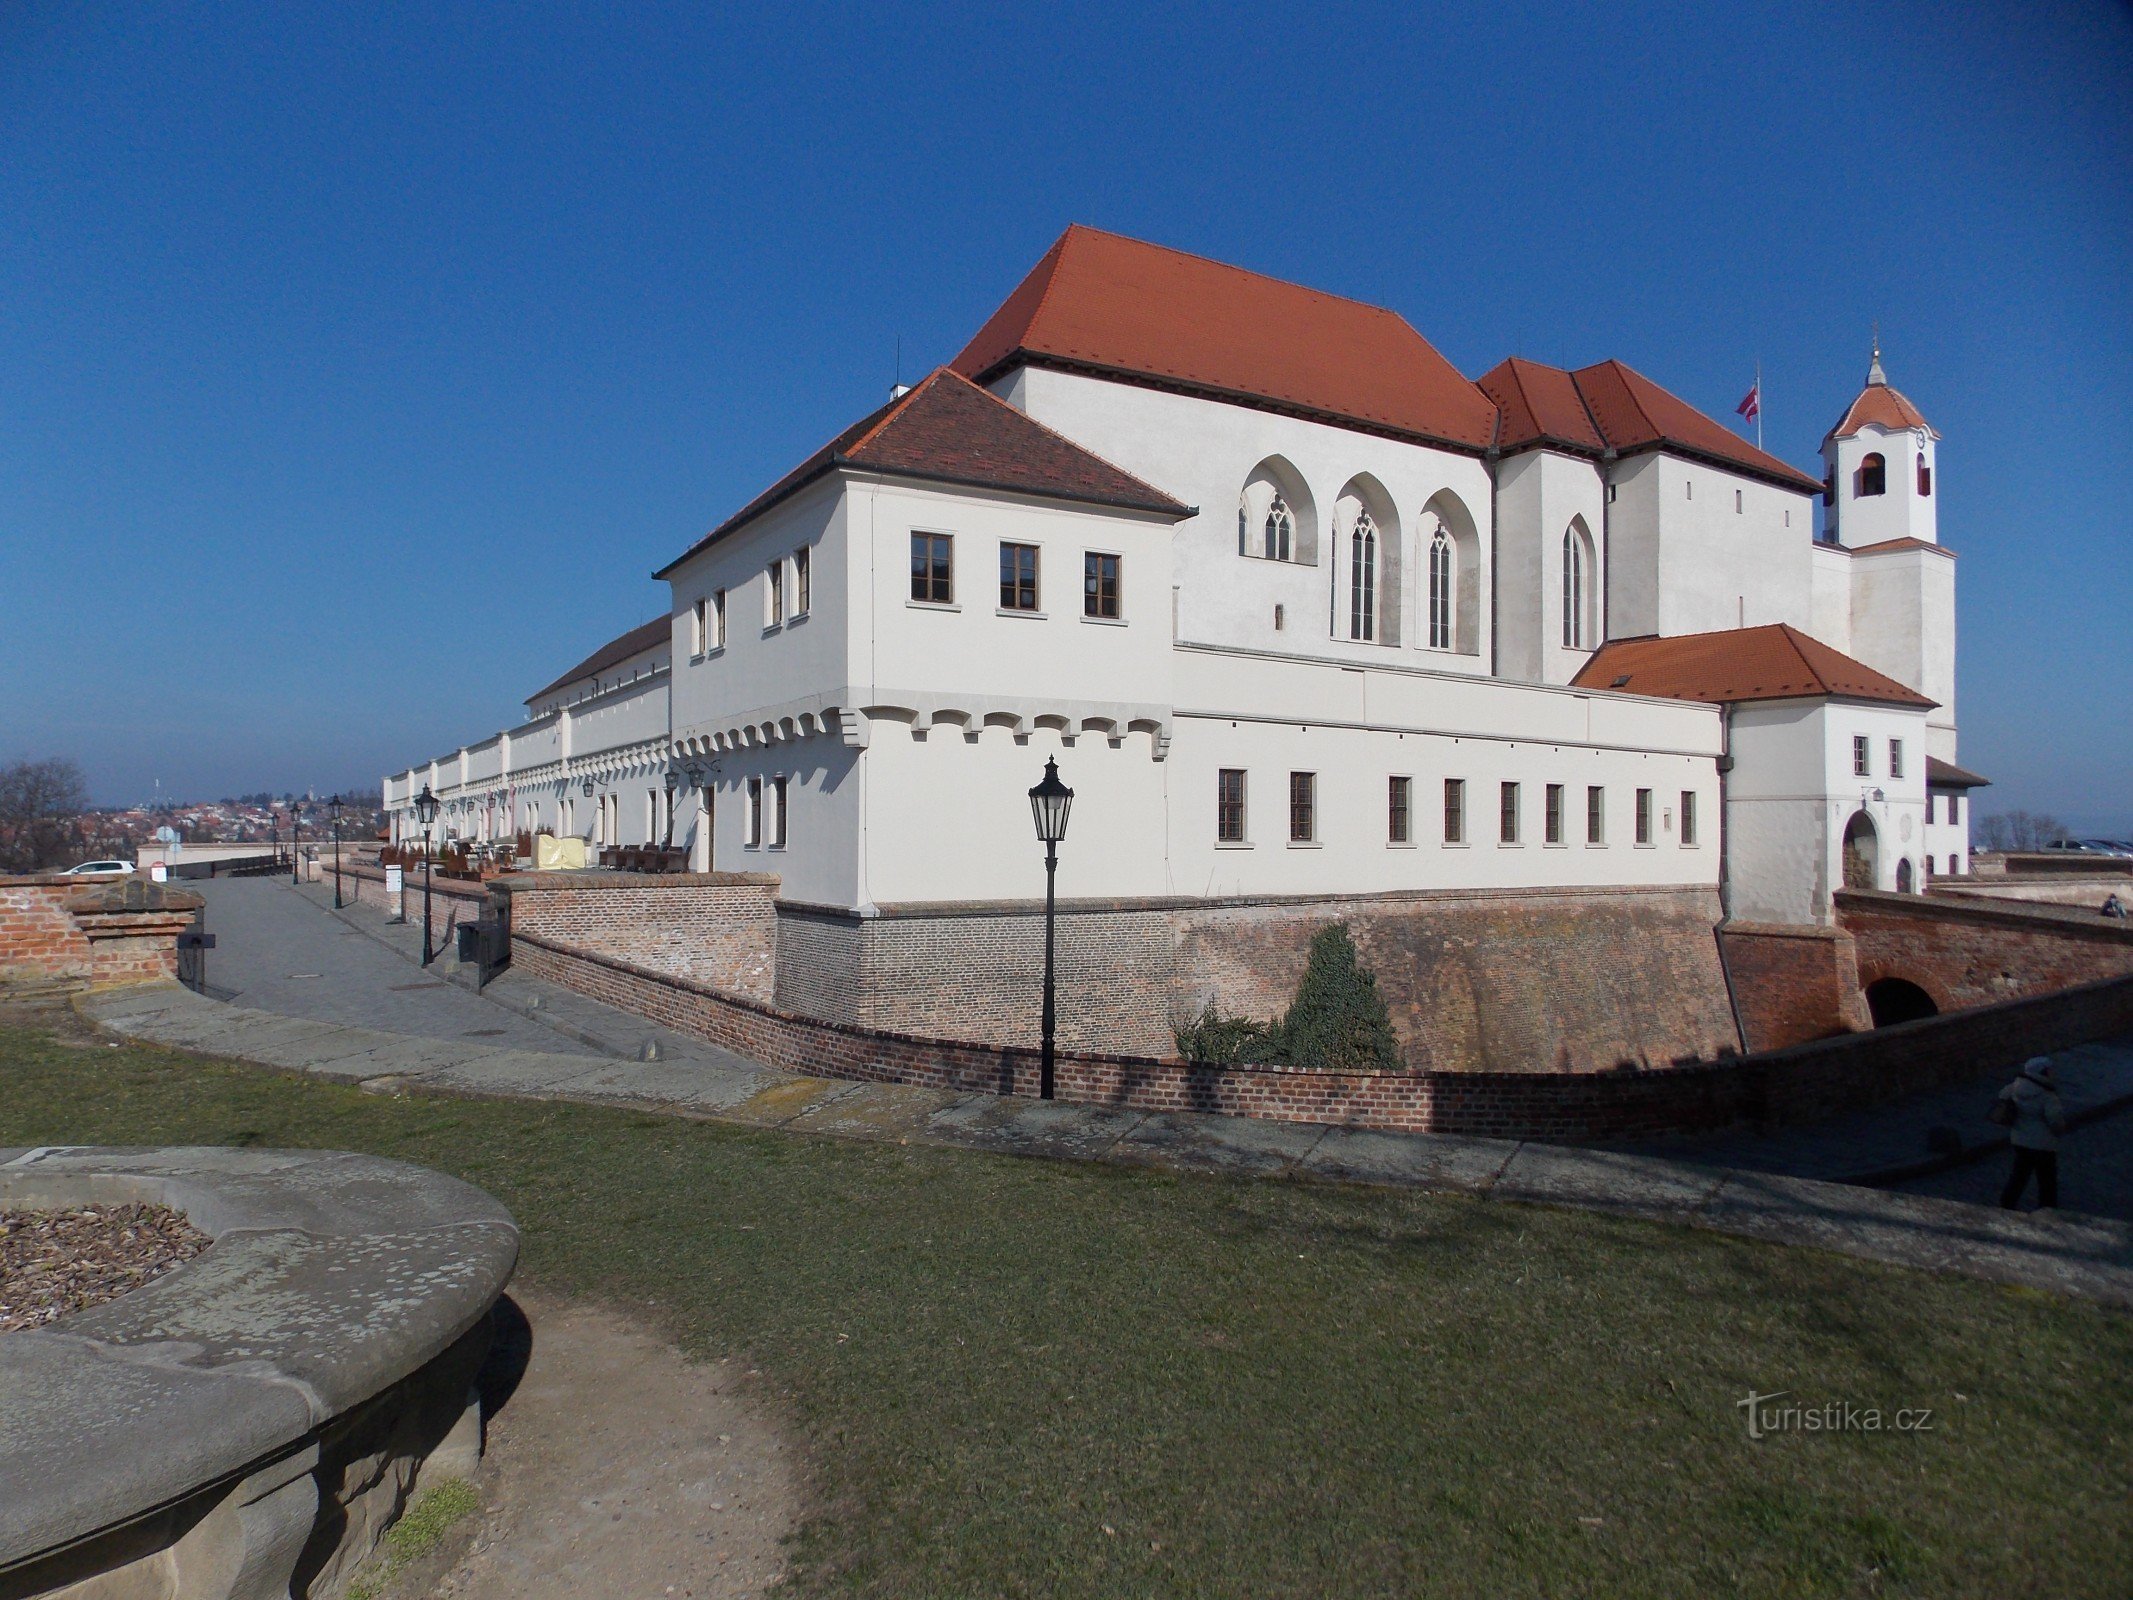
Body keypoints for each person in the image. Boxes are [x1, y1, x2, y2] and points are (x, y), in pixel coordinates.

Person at [1997, 1056, 2067, 1211]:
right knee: (2046, 1179)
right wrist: (2060, 1131)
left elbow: (2002, 1095)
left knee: (2019, 1175)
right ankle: (2047, 1208)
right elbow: (2055, 1120)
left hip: (2019, 1139)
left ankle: (2007, 1203)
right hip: (2043, 1143)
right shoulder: (2048, 1095)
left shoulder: (2016, 1086)